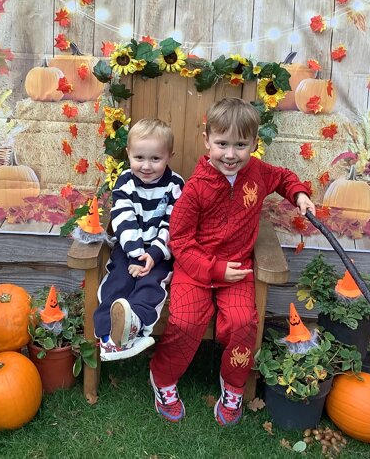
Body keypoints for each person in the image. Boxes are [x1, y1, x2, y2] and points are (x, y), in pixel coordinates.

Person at [149, 97, 316, 425]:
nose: (230, 154)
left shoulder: (257, 173)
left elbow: (283, 177)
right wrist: (213, 269)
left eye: (240, 145)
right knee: (184, 322)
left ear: (254, 143)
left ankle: (234, 386)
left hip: (237, 270)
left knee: (242, 323)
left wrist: (299, 193)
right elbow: (180, 240)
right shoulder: (196, 189)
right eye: (222, 144)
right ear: (207, 141)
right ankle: (163, 377)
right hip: (196, 270)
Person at [94, 118, 185, 361]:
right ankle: (107, 337)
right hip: (128, 248)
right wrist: (135, 254)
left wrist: (153, 255)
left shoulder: (175, 185)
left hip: (160, 253)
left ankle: (134, 325)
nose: (146, 166)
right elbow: (123, 218)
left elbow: (173, 223)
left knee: (151, 285)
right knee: (118, 281)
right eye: (139, 158)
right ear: (128, 154)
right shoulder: (125, 181)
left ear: (169, 156)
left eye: (155, 159)